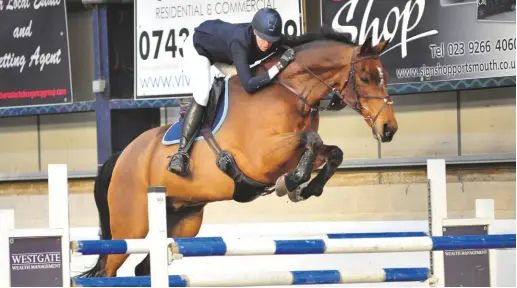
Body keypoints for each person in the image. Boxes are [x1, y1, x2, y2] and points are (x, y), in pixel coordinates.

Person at [167, 8, 296, 176]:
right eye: (263, 38)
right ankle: (181, 154)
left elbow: (296, 42)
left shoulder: (270, 39)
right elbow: (249, 85)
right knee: (203, 94)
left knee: (246, 85)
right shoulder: (240, 42)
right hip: (199, 49)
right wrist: (279, 67)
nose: (267, 44)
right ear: (254, 30)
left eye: (271, 40)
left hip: (224, 56)